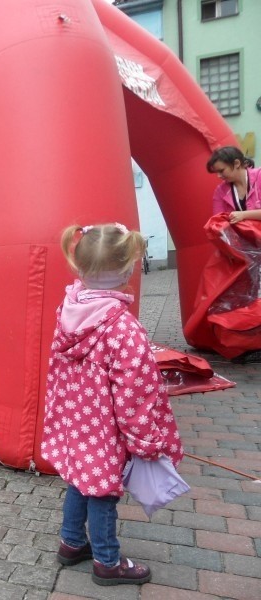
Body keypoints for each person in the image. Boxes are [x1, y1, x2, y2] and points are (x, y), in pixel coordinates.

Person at [41, 223, 183, 586]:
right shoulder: (123, 327)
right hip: (105, 427)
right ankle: (107, 561)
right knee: (103, 490)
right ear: (127, 269)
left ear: (80, 268)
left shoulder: (69, 309)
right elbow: (136, 393)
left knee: (79, 478)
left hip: (77, 419)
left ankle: (71, 543)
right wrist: (145, 439)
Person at [208, 146, 260, 223]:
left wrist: (243, 215)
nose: (218, 176)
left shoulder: (259, 176)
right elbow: (219, 222)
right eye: (216, 172)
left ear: (237, 163)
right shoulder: (220, 191)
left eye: (221, 171)